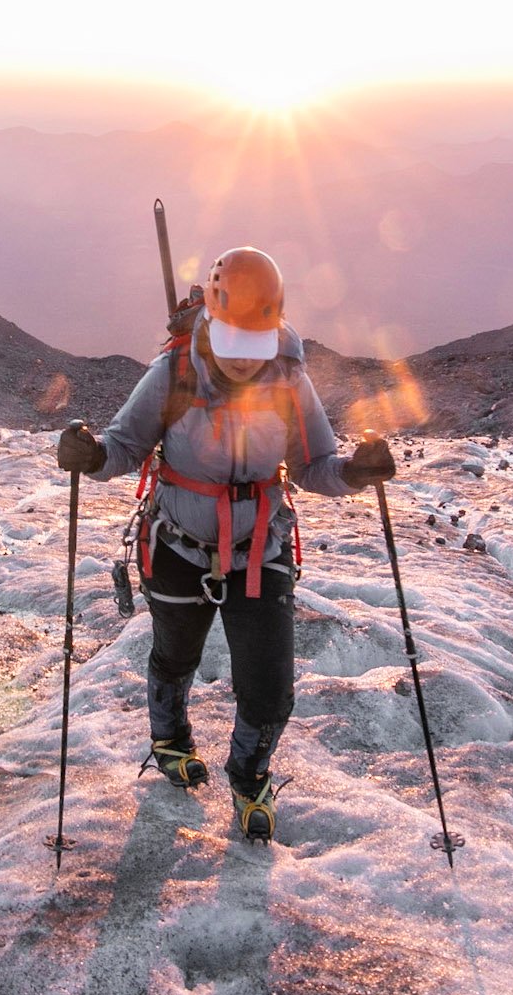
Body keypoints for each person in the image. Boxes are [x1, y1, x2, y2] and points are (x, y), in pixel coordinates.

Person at [56, 246, 395, 842]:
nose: (244, 363)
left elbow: (314, 465)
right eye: (235, 346)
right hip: (179, 549)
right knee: (175, 656)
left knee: (270, 689)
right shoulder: (174, 372)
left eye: (255, 347)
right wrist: (94, 456)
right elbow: (126, 445)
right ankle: (170, 739)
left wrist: (358, 472)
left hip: (260, 555)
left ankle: (249, 774)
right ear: (211, 322)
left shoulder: (289, 376)